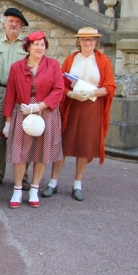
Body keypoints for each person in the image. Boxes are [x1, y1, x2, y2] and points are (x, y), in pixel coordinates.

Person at [43, 27, 116, 201]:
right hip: (71, 106)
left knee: (85, 144)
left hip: (92, 107)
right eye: (84, 40)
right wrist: (70, 93)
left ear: (96, 42)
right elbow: (60, 83)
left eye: (91, 39)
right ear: (79, 42)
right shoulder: (70, 59)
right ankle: (53, 181)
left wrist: (92, 93)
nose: (88, 42)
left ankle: (77, 183)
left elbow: (110, 87)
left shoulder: (103, 61)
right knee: (63, 144)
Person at [3, 31, 64, 209]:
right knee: (19, 153)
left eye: (42, 44)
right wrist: (7, 122)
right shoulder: (16, 67)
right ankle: (17, 189)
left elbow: (58, 90)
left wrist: (39, 106)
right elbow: (10, 95)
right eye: (36, 44)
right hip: (22, 112)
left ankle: (34, 189)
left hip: (46, 112)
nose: (39, 47)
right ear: (28, 47)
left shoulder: (53, 65)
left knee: (42, 151)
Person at [0, 8, 32, 190]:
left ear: (22, 27)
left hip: (23, 96)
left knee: (23, 136)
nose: (14, 24)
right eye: (11, 21)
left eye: (18, 22)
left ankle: (23, 177)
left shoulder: (28, 45)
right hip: (0, 93)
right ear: (4, 23)